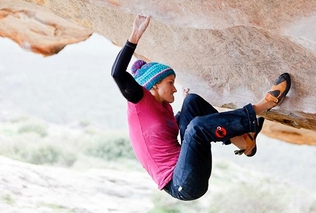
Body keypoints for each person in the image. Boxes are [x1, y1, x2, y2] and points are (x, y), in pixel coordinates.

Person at [111, 14, 291, 201]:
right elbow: (117, 73)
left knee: (192, 102)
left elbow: (179, 125)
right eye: (170, 83)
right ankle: (265, 104)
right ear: (154, 85)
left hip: (187, 165)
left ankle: (245, 142)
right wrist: (134, 37)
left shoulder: (164, 107)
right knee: (196, 127)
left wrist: (186, 101)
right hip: (181, 184)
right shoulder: (139, 101)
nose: (174, 88)